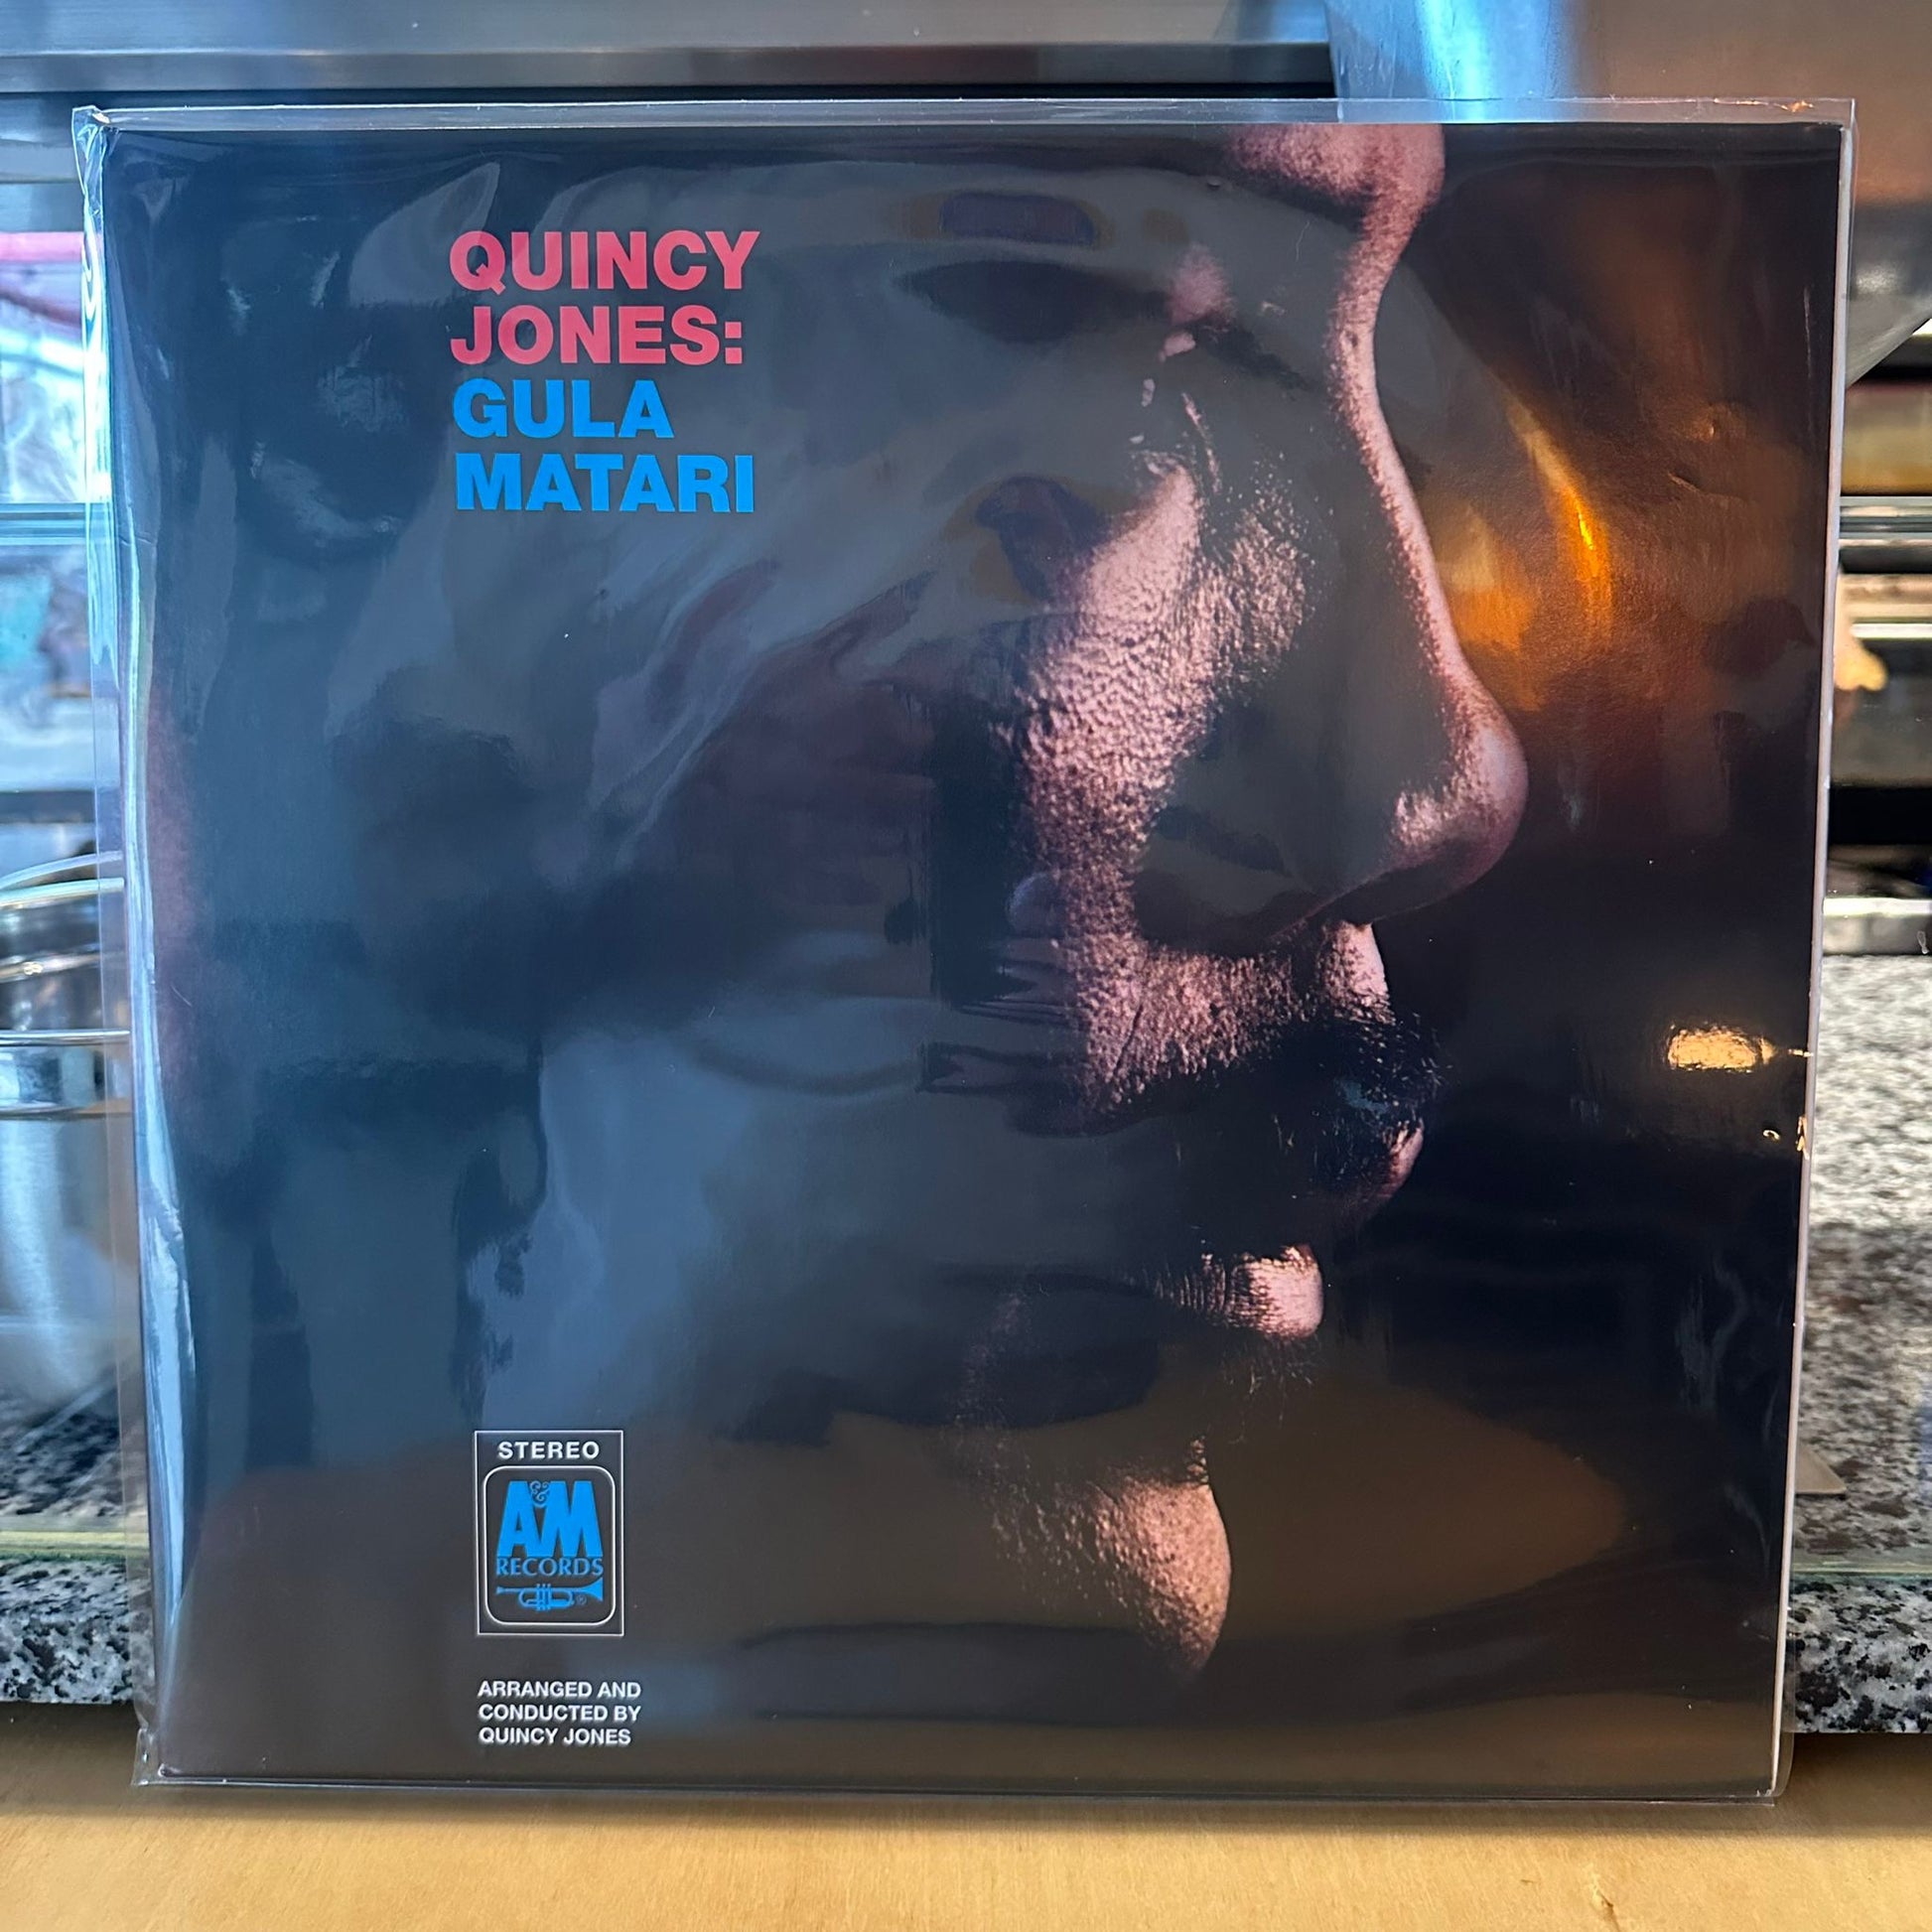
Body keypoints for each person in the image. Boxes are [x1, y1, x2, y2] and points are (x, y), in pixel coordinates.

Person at [158, 119, 1528, 1753]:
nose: (1455, 783)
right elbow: (409, 871)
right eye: (1130, 326)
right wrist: (653, 833)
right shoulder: (603, 366)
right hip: (674, 1427)